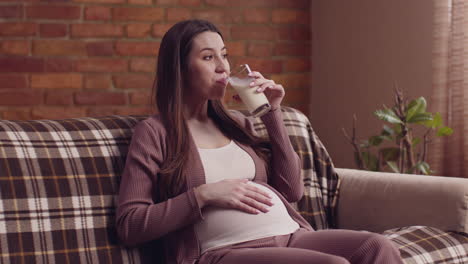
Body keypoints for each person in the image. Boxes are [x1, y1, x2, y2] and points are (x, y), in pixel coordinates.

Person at [115, 19, 403, 264]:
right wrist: (204, 194)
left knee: (378, 247)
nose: (222, 67)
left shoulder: (238, 123)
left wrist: (272, 112)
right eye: (207, 57)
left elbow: (291, 190)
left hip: (291, 236)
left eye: (224, 55)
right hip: (224, 251)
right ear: (179, 69)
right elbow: (131, 224)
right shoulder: (155, 133)